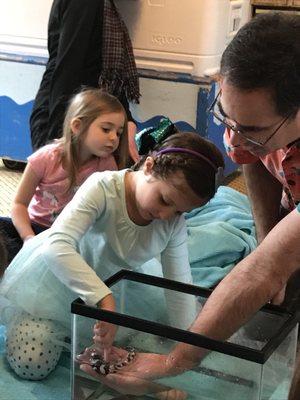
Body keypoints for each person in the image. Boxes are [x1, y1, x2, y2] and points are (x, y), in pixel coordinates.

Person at [82, 12, 300, 397]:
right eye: (226, 118)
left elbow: (263, 271)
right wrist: (267, 240)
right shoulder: (248, 117)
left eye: (250, 129)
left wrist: (175, 361)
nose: (233, 138)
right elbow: (252, 158)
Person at [0, 132, 224, 380]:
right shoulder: (103, 187)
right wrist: (104, 300)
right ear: (149, 167)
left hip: (120, 291)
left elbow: (177, 287)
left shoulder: (172, 223)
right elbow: (57, 246)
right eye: (164, 200)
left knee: (148, 347)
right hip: (56, 284)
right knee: (32, 362)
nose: (165, 215)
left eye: (179, 211)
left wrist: (185, 349)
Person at [0, 88, 130, 265]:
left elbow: (108, 213)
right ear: (77, 126)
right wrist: (28, 238)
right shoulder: (45, 158)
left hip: (75, 237)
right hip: (37, 229)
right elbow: (19, 204)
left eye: (119, 132)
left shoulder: (106, 165)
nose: (114, 138)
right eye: (106, 129)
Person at [30, 0, 140, 161]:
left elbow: (102, 71)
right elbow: (68, 72)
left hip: (81, 117)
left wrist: (127, 120)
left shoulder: (104, 7)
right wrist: (60, 140)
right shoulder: (85, 3)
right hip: (63, 120)